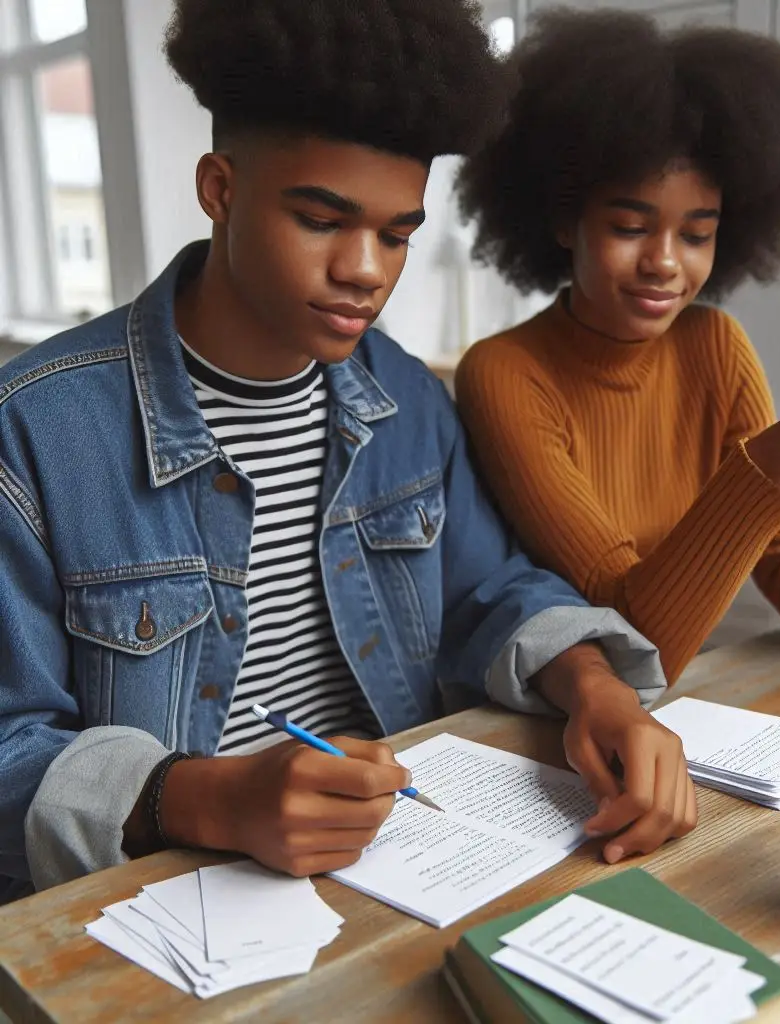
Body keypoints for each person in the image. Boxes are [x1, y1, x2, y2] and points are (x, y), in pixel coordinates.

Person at [0, 0, 697, 906]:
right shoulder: (36, 429)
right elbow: (11, 747)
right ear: (220, 188)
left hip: (396, 875)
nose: (366, 270)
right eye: (323, 220)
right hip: (156, 911)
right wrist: (206, 798)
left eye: (397, 234)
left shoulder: (405, 397)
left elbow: (489, 590)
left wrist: (596, 686)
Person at [455, 11, 780, 684]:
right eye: (629, 226)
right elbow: (628, 641)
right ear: (562, 219)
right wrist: (769, 466)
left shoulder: (714, 346)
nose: (665, 264)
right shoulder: (506, 373)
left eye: (696, 234)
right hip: (559, 724)